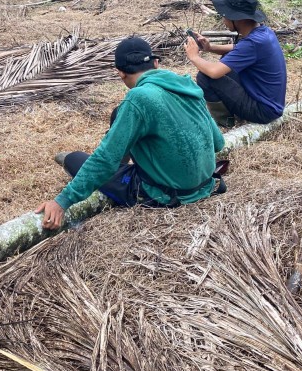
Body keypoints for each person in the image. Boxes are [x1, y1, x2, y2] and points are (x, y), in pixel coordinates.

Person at [36, 36, 225, 230]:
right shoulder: (187, 85)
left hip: (168, 194)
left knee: (75, 159)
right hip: (207, 184)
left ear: (120, 73)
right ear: (156, 63)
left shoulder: (138, 99)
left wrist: (62, 201)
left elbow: (104, 159)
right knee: (119, 114)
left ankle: (83, 162)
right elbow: (218, 143)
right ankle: (124, 162)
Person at [185, 0, 287, 127]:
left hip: (263, 111)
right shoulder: (263, 32)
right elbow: (237, 49)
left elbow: (214, 72)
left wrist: (194, 57)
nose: (224, 20)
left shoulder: (253, 43)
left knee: (206, 77)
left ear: (237, 19)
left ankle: (225, 121)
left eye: (225, 16)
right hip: (270, 104)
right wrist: (210, 47)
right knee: (227, 59)